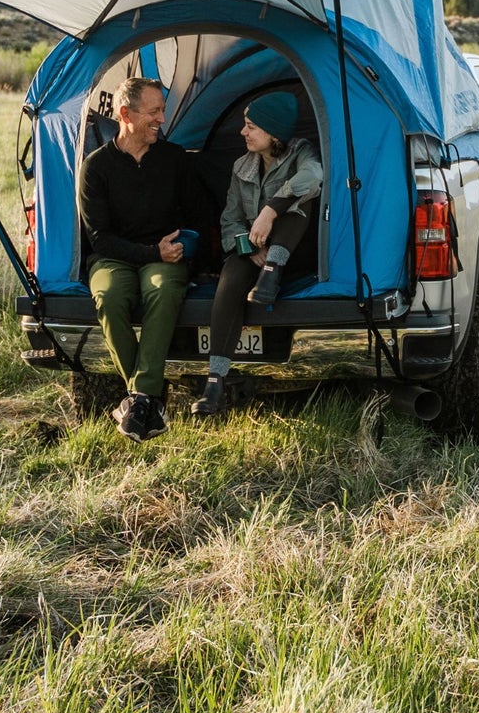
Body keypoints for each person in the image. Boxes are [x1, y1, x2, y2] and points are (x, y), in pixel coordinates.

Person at [78, 74, 196, 440]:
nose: (162, 119)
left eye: (163, 109)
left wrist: (188, 254)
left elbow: (199, 215)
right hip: (113, 257)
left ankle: (138, 398)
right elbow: (99, 238)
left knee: (161, 290)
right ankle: (149, 398)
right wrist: (148, 251)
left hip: (166, 258)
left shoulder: (174, 159)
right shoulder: (96, 166)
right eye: (155, 111)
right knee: (109, 296)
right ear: (125, 114)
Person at [196, 89, 323, 418]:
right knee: (231, 279)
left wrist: (269, 211)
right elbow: (230, 220)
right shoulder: (242, 166)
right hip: (255, 247)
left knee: (299, 205)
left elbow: (314, 177)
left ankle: (273, 273)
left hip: (295, 250)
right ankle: (214, 382)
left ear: (274, 132)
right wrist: (248, 247)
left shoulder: (301, 152)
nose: (243, 132)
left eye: (251, 126)